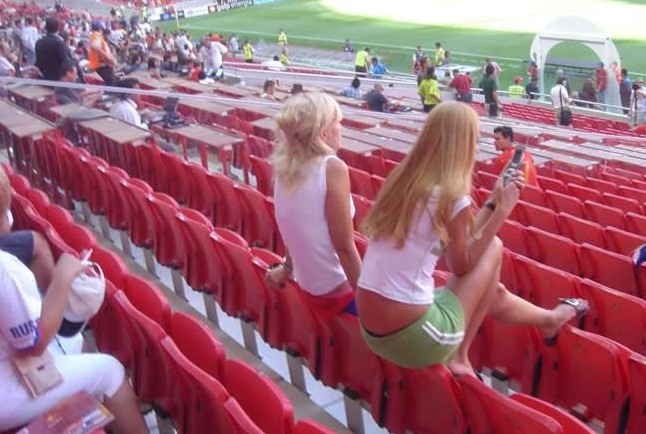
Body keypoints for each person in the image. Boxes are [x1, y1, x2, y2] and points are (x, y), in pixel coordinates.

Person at [355, 101, 589, 375]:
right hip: (415, 338)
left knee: (493, 291)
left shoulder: (401, 180)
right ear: (462, 144)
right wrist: (503, 211)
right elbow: (461, 265)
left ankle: (550, 319)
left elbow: (460, 242)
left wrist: (492, 201)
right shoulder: (451, 195)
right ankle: (460, 355)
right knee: (493, 247)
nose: (477, 148)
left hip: (373, 331)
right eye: (474, 140)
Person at [266, 92, 361, 317]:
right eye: (338, 122)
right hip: (338, 294)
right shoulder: (332, 168)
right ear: (324, 133)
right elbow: (344, 247)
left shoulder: (284, 168)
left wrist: (287, 269)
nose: (341, 127)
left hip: (308, 289)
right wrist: (369, 303)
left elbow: (294, 228)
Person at [35, 17, 70, 81]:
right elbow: (66, 61)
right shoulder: (58, 43)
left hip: (42, 76)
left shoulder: (39, 42)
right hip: (56, 78)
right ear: (57, 28)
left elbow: (37, 61)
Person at [88, 21, 118, 86]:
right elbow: (95, 46)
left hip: (101, 67)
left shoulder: (95, 36)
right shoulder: (96, 35)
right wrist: (108, 57)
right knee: (111, 86)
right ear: (101, 29)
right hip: (102, 67)